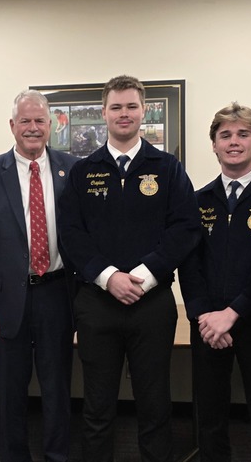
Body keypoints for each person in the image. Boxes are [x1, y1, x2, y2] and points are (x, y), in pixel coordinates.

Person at [58, 75, 201, 462]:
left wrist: (144, 274)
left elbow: (185, 228)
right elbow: (71, 235)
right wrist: (108, 277)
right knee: (97, 407)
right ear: (104, 113)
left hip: (151, 303)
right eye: (116, 107)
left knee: (155, 405)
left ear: (144, 111)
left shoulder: (168, 168)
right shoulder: (83, 171)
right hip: (96, 304)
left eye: (132, 106)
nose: (124, 114)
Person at [0, 90, 79, 462]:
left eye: (40, 121)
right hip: (6, 300)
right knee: (10, 393)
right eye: (25, 121)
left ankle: (57, 456)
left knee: (57, 390)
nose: (33, 128)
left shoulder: (72, 168)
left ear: (51, 125)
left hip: (57, 294)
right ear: (12, 126)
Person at [178, 103, 251, 462]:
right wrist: (204, 316)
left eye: (243, 134)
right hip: (209, 324)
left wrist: (234, 311)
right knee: (208, 412)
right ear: (214, 144)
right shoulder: (197, 201)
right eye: (225, 135)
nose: (234, 142)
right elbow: (189, 265)